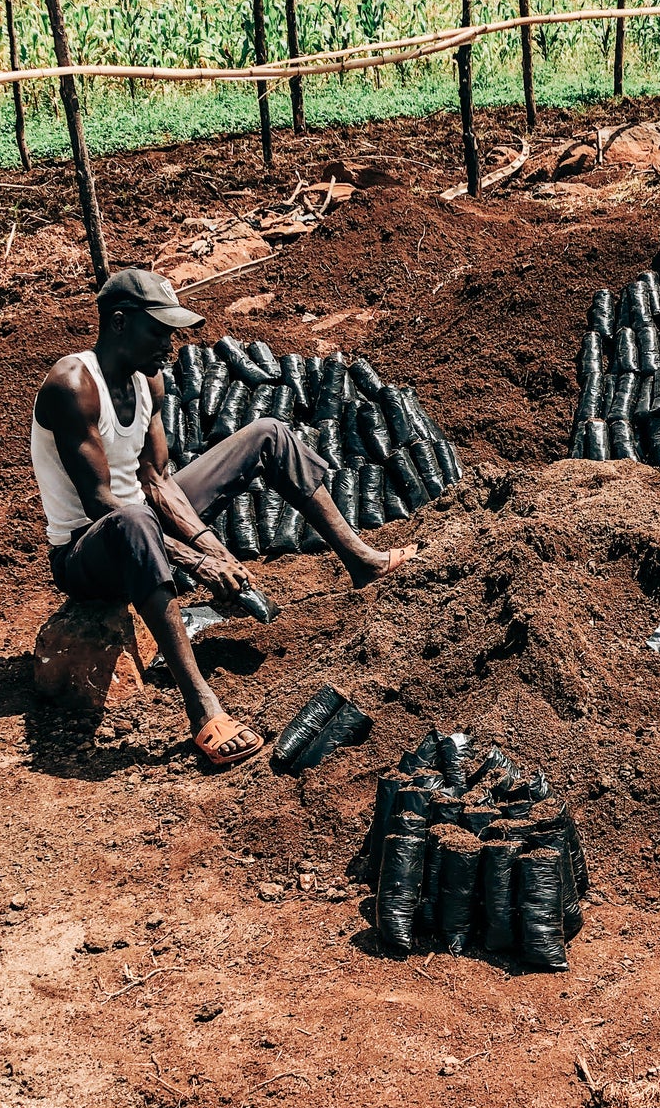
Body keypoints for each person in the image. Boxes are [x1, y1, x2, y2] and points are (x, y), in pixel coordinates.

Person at [31, 268, 415, 769]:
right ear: (120, 323)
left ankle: (361, 559)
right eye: (160, 331)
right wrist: (198, 564)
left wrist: (211, 546)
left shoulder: (149, 381)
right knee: (133, 521)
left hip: (141, 522)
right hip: (87, 550)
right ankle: (204, 712)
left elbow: (157, 479)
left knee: (269, 433)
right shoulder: (73, 384)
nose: (171, 344)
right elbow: (102, 503)